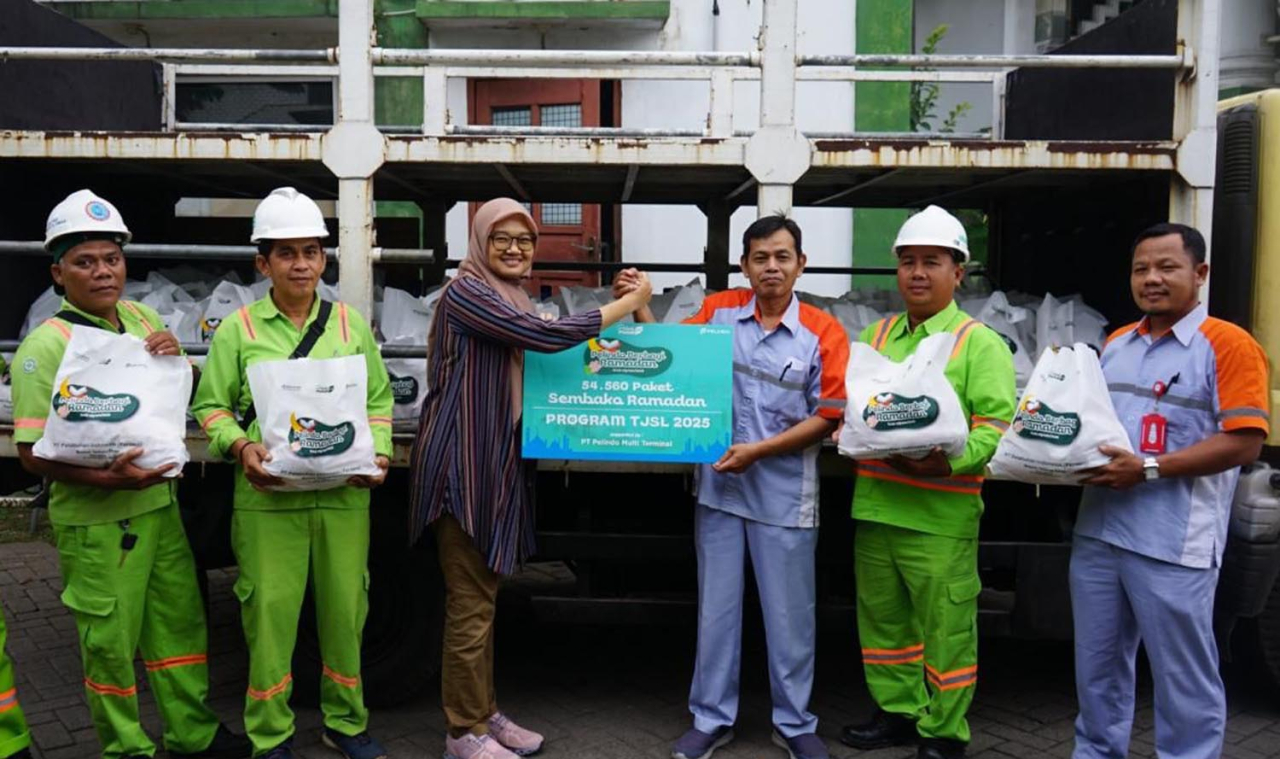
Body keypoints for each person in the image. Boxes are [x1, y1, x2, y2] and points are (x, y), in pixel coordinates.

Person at [407, 198, 653, 759]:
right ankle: (462, 732)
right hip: (462, 466)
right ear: (480, 242)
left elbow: (547, 341)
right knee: (470, 602)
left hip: (494, 461)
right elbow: (545, 339)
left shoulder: (508, 295)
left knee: (485, 599)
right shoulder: (469, 291)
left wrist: (629, 310)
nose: (515, 249)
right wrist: (630, 304)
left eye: (525, 239)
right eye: (502, 239)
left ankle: (483, 712)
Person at [11, 189, 249, 759]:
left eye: (111, 259)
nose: (102, 273)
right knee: (110, 646)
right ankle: (126, 747)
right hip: (98, 524)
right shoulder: (44, 348)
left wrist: (180, 361)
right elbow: (31, 453)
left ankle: (191, 735)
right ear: (58, 274)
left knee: (178, 628)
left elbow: (172, 392)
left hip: (158, 508)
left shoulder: (142, 319)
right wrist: (107, 481)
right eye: (84, 262)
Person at [617, 215, 848, 759]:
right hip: (720, 492)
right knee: (716, 613)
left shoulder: (824, 331)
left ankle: (794, 723)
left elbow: (828, 417)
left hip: (786, 495)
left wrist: (760, 452)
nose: (772, 267)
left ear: (800, 264)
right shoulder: (720, 311)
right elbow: (672, 362)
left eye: (782, 257)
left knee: (790, 617)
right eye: (761, 257)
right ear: (744, 265)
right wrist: (638, 302)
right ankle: (711, 718)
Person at [192, 188, 393, 759]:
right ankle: (270, 733)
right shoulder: (239, 331)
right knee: (270, 618)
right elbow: (210, 407)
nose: (301, 264)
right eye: (286, 253)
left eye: (311, 251)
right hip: (267, 499)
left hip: (343, 497)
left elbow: (378, 401)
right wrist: (239, 448)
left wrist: (377, 451)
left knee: (345, 613)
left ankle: (346, 724)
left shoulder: (350, 325)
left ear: (324, 259)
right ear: (263, 263)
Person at [1071, 223, 1269, 759]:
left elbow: (1245, 442)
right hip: (1100, 533)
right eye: (1141, 269)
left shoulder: (1228, 345)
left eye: (1167, 267)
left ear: (1199, 274)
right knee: (1097, 668)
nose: (1151, 279)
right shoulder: (1115, 344)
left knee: (1183, 677)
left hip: (1173, 543)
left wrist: (1149, 469)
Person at [840, 205, 1015, 759]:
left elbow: (997, 428)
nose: (917, 273)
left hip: (941, 516)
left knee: (946, 630)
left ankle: (943, 734)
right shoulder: (876, 334)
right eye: (908, 262)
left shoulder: (978, 343)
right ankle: (897, 713)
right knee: (886, 624)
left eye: (932, 262)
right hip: (877, 507)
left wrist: (948, 464)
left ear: (958, 272)